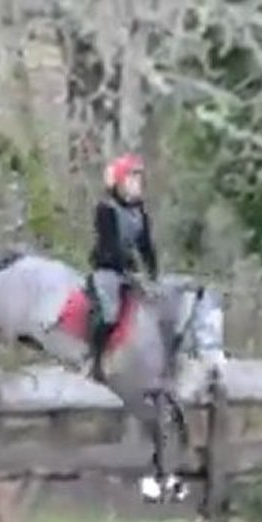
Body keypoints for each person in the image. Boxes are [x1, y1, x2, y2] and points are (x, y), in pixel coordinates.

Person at [88, 152, 159, 381]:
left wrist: (152, 273)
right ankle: (96, 360)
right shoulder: (105, 209)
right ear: (119, 182)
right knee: (109, 313)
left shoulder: (141, 212)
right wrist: (129, 269)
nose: (136, 184)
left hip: (129, 271)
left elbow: (146, 246)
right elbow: (110, 245)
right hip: (107, 268)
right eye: (131, 178)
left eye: (138, 179)